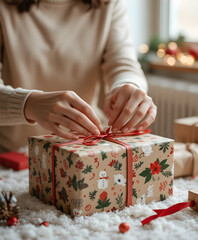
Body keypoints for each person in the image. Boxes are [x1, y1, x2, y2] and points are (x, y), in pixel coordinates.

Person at [0, 0, 157, 153]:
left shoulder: (108, 3)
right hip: (14, 155)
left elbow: (123, 64)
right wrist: (30, 104)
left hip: (88, 151)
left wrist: (129, 85)